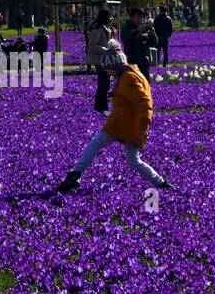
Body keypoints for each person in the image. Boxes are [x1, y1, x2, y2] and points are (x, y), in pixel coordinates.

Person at [54, 41, 171, 194]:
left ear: (115, 67)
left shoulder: (128, 78)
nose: (108, 74)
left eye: (109, 71)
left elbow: (143, 101)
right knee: (133, 160)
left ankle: (74, 174)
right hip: (132, 124)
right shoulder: (130, 74)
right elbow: (132, 96)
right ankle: (161, 183)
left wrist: (145, 122)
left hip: (123, 123)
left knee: (96, 143)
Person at [88, 9, 114, 114]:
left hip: (104, 60)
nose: (111, 19)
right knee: (103, 84)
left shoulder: (104, 28)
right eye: (109, 17)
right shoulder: (98, 29)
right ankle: (101, 108)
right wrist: (106, 50)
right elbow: (92, 46)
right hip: (100, 60)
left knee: (105, 84)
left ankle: (101, 107)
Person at [121, 8, 157, 81]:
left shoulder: (144, 28)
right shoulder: (127, 28)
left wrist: (153, 35)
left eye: (141, 17)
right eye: (137, 17)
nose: (140, 20)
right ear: (131, 18)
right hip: (133, 63)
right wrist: (137, 31)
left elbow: (153, 43)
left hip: (144, 62)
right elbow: (128, 40)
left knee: (146, 85)